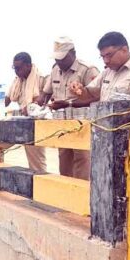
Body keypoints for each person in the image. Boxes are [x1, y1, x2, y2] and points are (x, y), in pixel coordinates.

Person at [38, 37, 99, 180]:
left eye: (62, 58)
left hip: (82, 126)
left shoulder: (88, 70)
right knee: (64, 162)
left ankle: (81, 197)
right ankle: (67, 197)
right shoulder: (55, 69)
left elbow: (97, 97)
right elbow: (46, 93)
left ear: (73, 53)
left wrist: (69, 104)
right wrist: (41, 103)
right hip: (62, 125)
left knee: (82, 161)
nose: (59, 62)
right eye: (57, 59)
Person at [0, 52, 47, 173]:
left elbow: (45, 98)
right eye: (14, 68)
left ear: (28, 65)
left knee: (37, 166)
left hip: (36, 125)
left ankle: (41, 190)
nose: (16, 71)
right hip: (21, 123)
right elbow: (6, 101)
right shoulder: (17, 80)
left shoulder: (42, 78)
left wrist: (32, 106)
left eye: (18, 68)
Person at [70, 32, 130, 102]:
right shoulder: (107, 71)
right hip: (105, 117)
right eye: (102, 57)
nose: (106, 61)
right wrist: (79, 89)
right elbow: (90, 94)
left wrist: (124, 100)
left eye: (109, 55)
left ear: (124, 50)